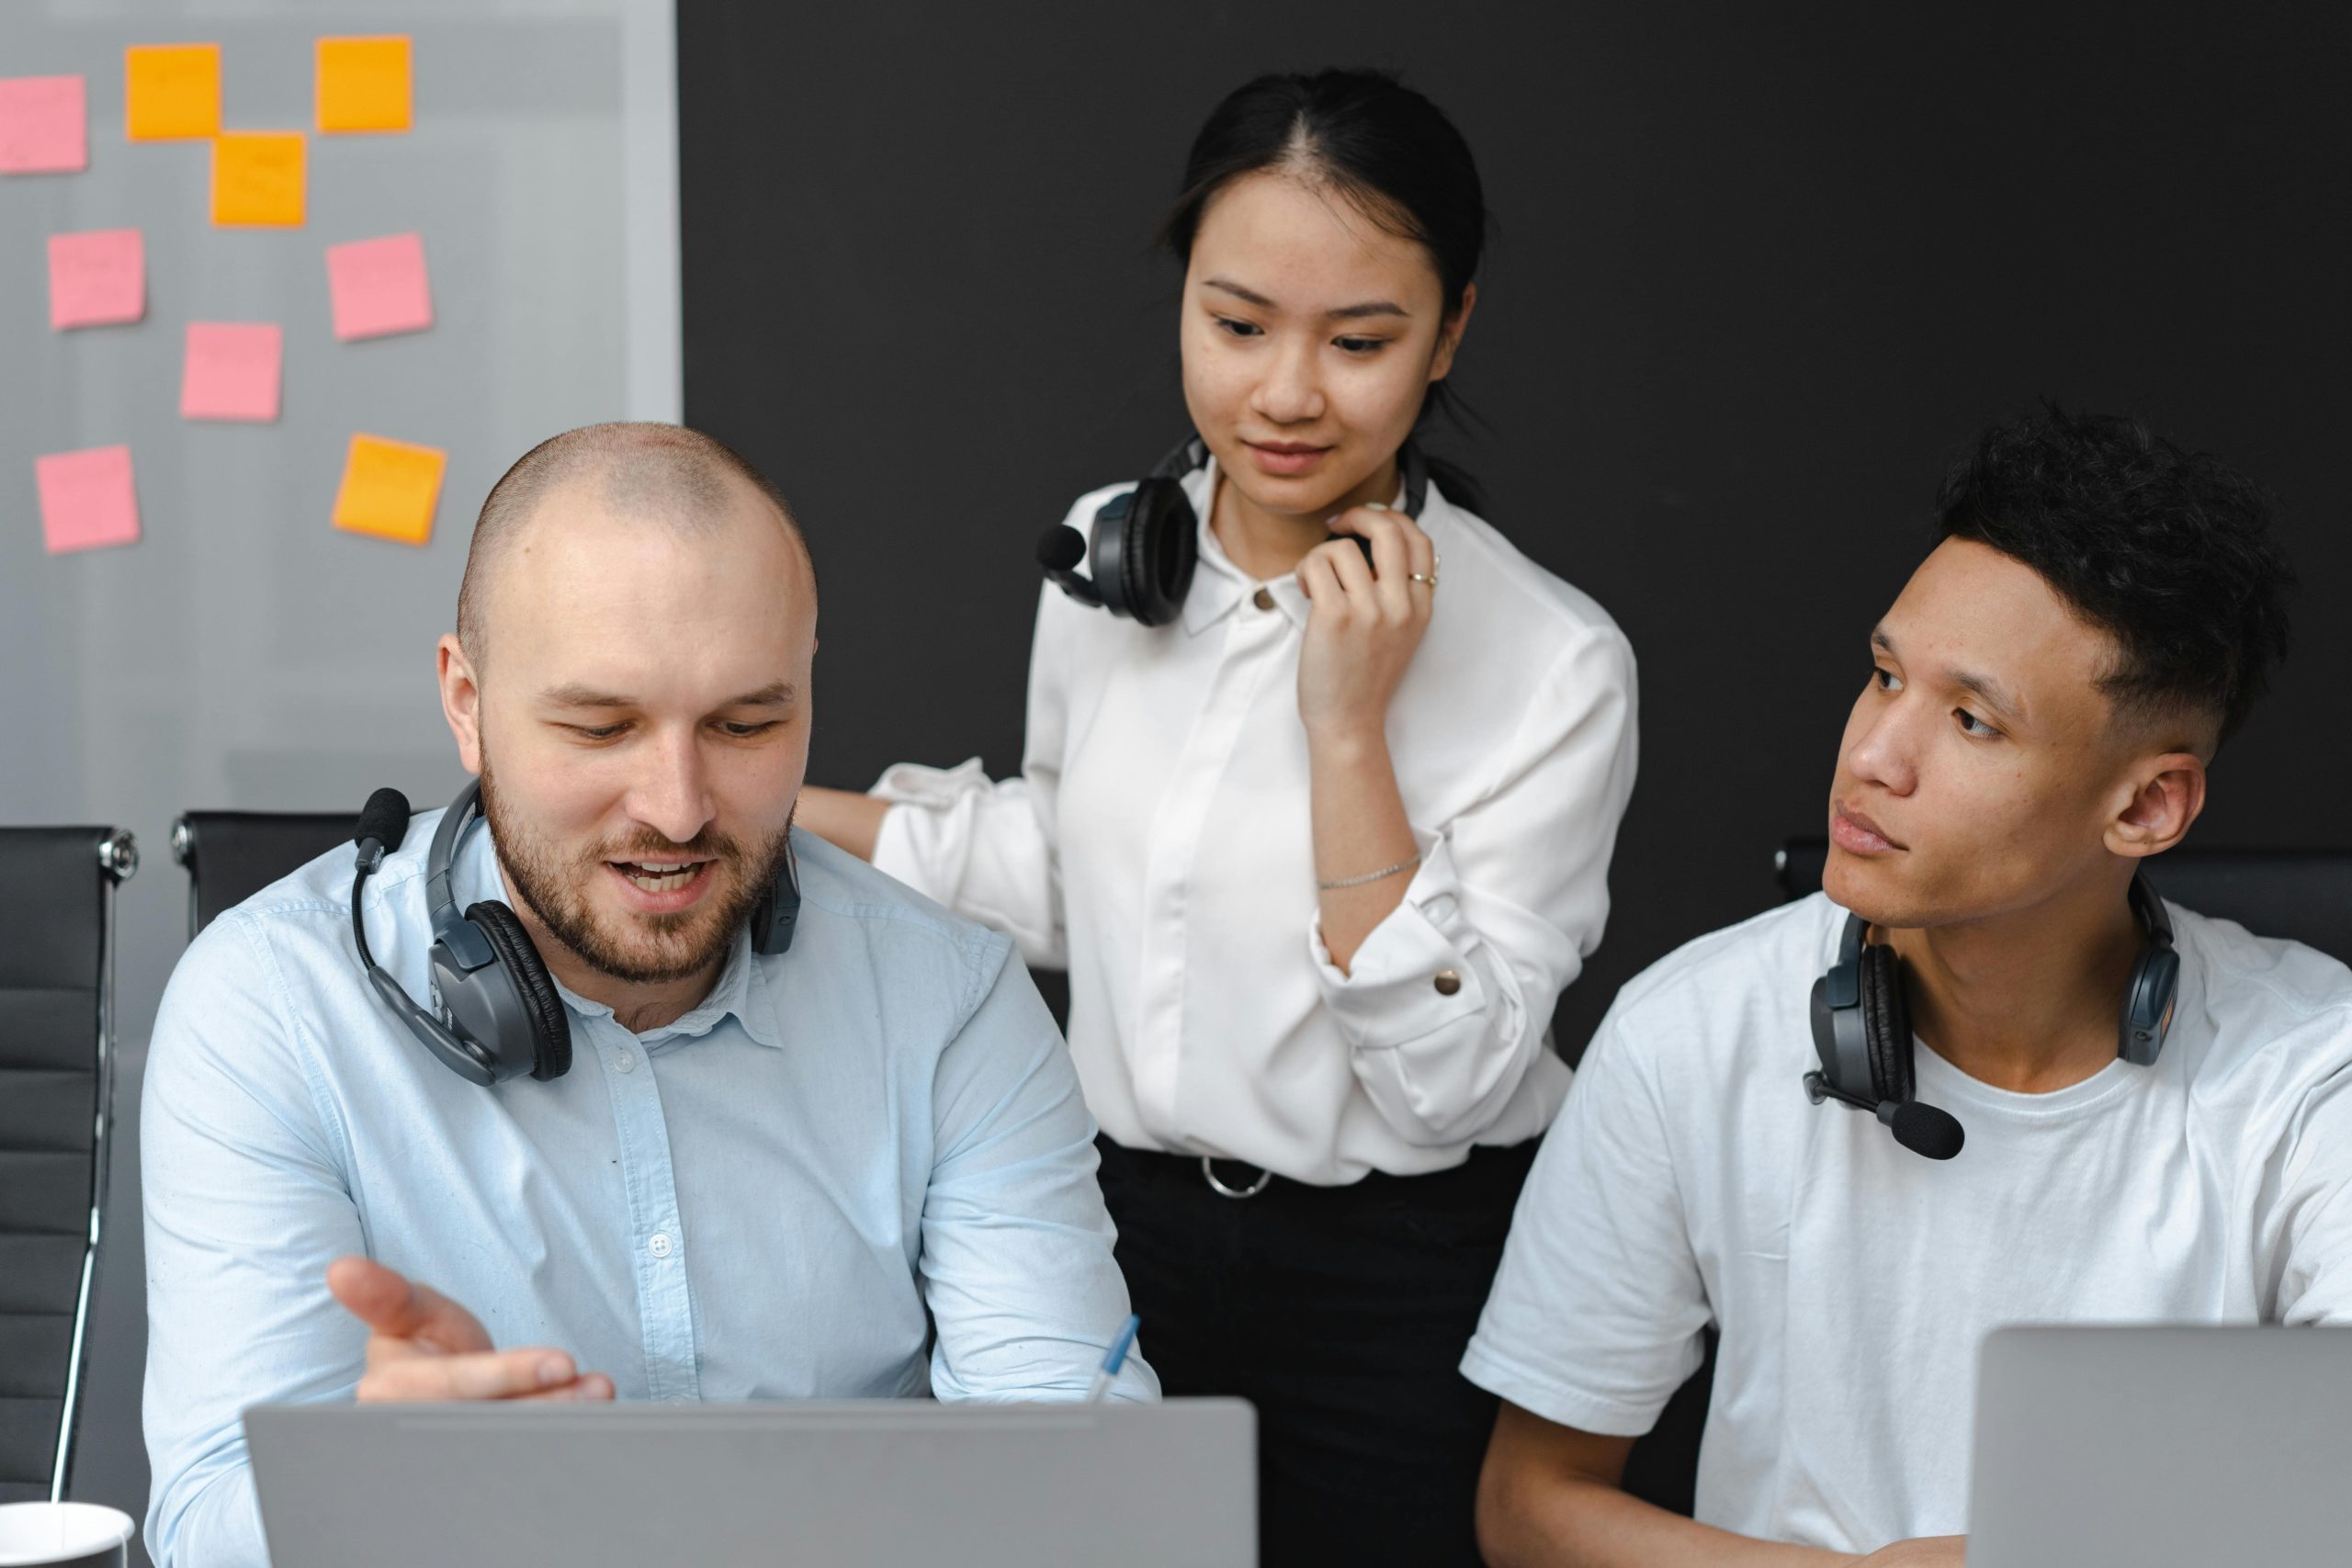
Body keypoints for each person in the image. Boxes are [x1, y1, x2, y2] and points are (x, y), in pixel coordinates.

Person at [795, 70, 1637, 1564]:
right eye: (1238, 323)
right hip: (1116, 1229)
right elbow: (1069, 875)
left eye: (1360, 338)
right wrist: (760, 802)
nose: (1288, 392)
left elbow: (1448, 1079)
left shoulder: (1557, 663)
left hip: (1405, 1275)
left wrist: (1346, 725)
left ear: (1449, 332)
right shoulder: (1110, 554)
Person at [140, 424, 1156, 1568]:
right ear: (466, 703)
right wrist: (384, 1498)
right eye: (600, 726)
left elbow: (1084, 1482)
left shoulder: (952, 1001)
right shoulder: (266, 1008)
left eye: (745, 724)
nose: (677, 808)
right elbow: (203, 1528)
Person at [1466, 406, 2352, 1566]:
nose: (1873, 755)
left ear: (2145, 806)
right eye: (1883, 676)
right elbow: (1527, 1507)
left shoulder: (2312, 1074)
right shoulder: (1685, 1030)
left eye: (1971, 721)